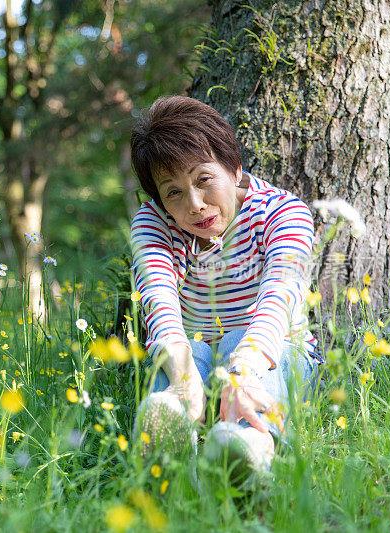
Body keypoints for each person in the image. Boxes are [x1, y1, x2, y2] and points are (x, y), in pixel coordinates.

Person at [128, 95, 320, 479]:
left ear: (234, 169)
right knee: (188, 353)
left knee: (235, 341)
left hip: (273, 359)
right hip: (192, 365)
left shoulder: (284, 213)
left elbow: (279, 300)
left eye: (204, 180)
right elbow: (158, 301)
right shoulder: (154, 224)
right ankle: (169, 460)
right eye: (174, 192)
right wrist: (184, 381)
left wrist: (240, 370)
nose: (195, 205)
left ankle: (253, 451)